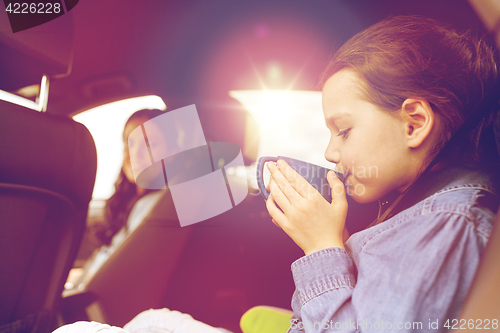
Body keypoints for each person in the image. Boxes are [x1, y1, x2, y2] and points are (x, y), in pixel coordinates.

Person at [265, 16, 500, 332]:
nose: (329, 153)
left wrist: (321, 247)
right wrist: (340, 250)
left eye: (344, 131)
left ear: (413, 123)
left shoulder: (445, 221)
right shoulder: (418, 214)